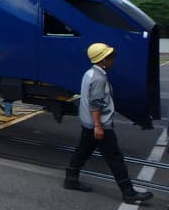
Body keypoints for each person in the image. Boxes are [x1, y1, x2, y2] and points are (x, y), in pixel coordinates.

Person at [63, 42, 153, 204]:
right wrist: (98, 126)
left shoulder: (89, 73)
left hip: (88, 124)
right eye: (110, 58)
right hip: (99, 125)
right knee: (115, 157)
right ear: (102, 60)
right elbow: (95, 103)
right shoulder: (98, 78)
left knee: (83, 151)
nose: (113, 61)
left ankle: (71, 179)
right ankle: (129, 193)